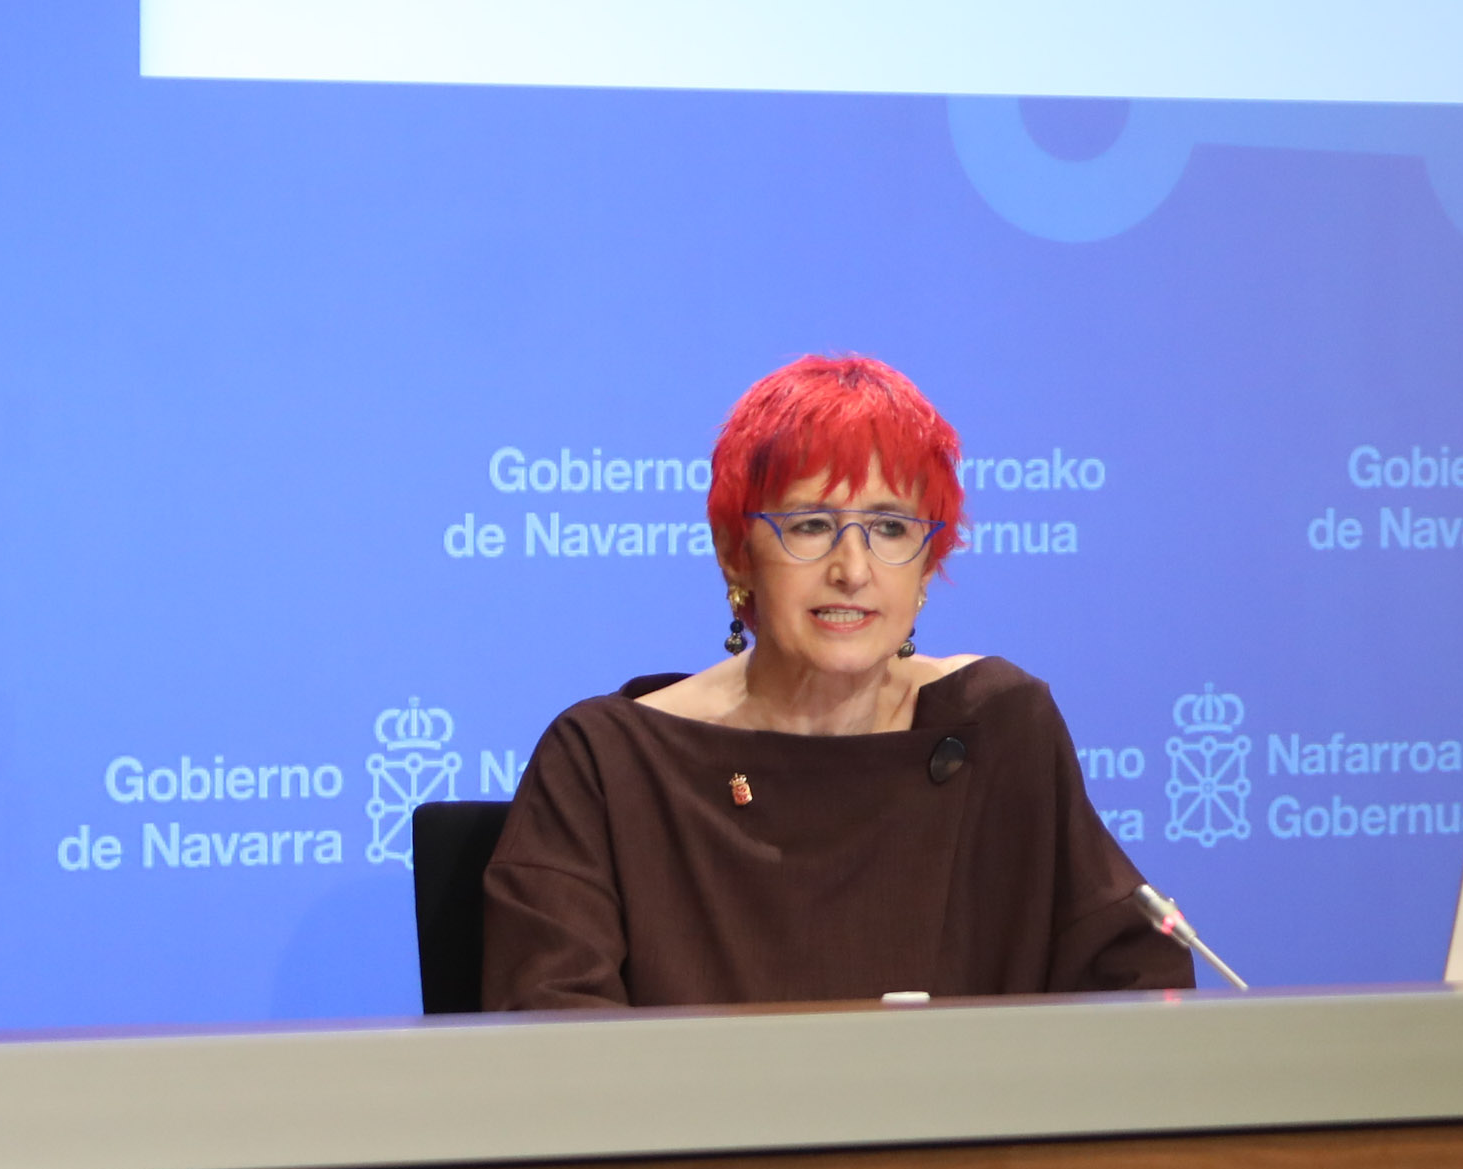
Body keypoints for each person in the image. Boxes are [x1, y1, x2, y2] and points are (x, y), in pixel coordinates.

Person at [481, 353, 1189, 1008]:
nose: (853, 570)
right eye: (812, 524)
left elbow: (1136, 981)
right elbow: (554, 1037)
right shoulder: (608, 763)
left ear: (927, 564)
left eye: (890, 527)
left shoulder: (998, 728)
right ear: (735, 553)